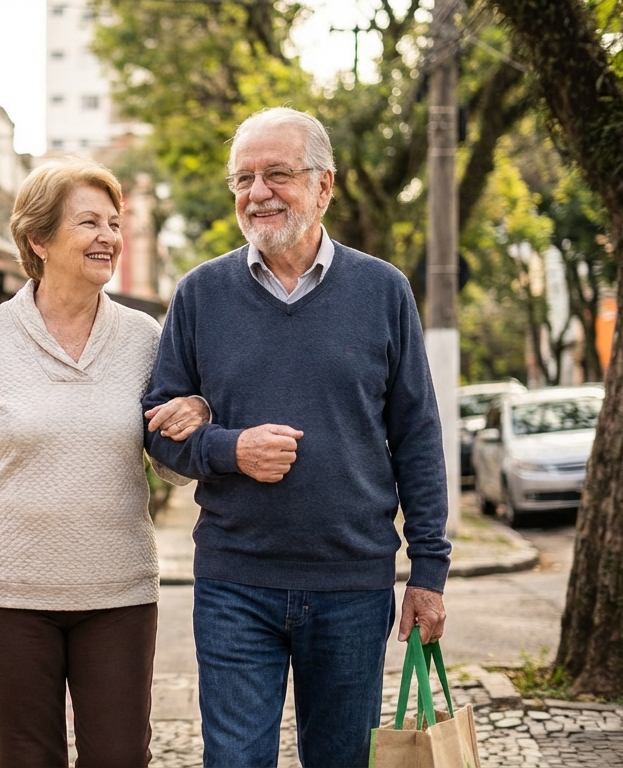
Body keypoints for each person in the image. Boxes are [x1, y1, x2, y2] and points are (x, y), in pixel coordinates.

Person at [141, 107, 451, 768]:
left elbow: (418, 436)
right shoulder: (199, 294)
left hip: (352, 584)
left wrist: (429, 571)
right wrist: (230, 450)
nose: (257, 193)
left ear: (323, 186)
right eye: (243, 178)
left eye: (277, 174)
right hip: (234, 582)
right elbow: (159, 431)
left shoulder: (384, 291)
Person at [0, 158, 209, 768]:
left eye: (114, 223)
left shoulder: (144, 337)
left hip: (118, 593)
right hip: (6, 597)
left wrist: (194, 417)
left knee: (121, 758)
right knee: (25, 757)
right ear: (39, 239)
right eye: (89, 222)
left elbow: (175, 470)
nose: (109, 237)